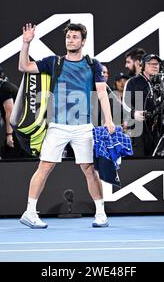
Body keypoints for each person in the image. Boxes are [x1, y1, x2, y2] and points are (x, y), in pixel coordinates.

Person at [18, 22, 115, 229]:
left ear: (83, 41)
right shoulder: (54, 62)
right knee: (45, 166)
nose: (70, 40)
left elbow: (101, 93)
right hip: (57, 126)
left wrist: (108, 120)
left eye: (74, 37)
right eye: (68, 37)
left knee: (90, 170)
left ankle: (100, 213)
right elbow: (24, 67)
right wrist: (26, 44)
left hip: (83, 127)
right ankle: (29, 212)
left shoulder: (93, 64)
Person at [122, 53, 160, 157]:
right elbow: (125, 103)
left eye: (156, 64)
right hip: (139, 128)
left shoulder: (163, 82)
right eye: (150, 64)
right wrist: (134, 113)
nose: (154, 66)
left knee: (159, 159)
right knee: (140, 158)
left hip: (158, 127)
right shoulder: (133, 82)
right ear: (143, 66)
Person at [0, 64, 26, 158]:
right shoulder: (5, 86)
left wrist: (9, 135)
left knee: (11, 157)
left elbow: (10, 113)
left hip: (18, 131)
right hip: (19, 129)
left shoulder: (4, 88)